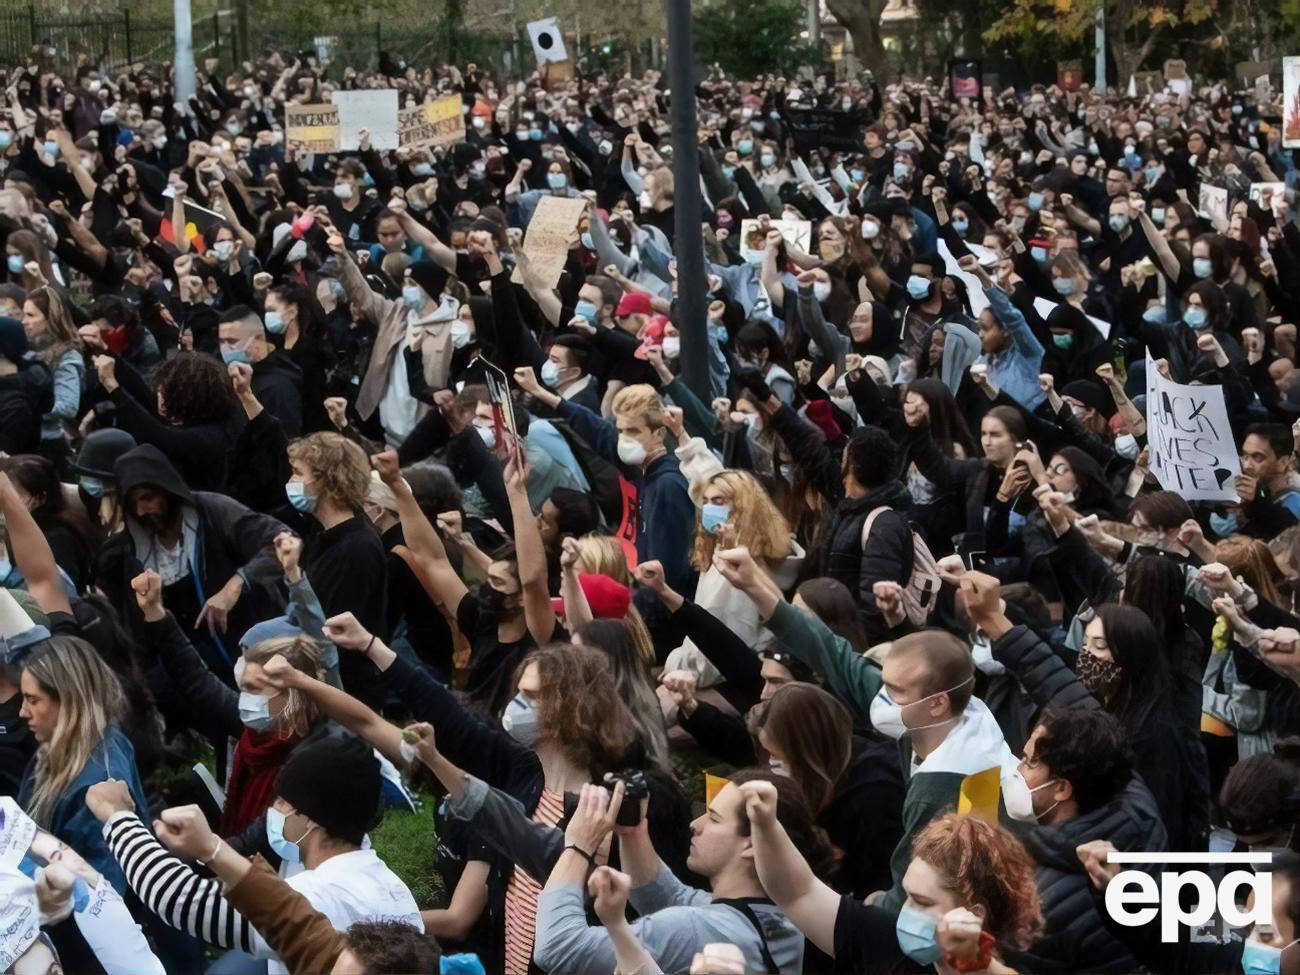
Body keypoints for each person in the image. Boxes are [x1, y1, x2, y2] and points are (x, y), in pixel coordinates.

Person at [92, 733, 424, 975]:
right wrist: (210, 849)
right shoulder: (382, 880)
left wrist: (118, 816)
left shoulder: (322, 897)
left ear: (311, 819)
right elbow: (260, 891)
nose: (271, 810)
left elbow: (179, 898)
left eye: (282, 801)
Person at [747, 784, 1044, 975]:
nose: (905, 912)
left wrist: (973, 965)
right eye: (908, 895)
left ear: (973, 915)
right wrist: (765, 824)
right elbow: (797, 893)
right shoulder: (885, 943)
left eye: (922, 901)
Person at [18, 636, 150, 894]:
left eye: (33, 700)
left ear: (68, 700)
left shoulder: (99, 783)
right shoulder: (55, 751)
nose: (23, 712)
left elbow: (104, 894)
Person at [286, 432, 388, 706]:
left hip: (345, 692)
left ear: (327, 479)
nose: (291, 482)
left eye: (298, 473)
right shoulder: (325, 532)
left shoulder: (356, 548)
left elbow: (330, 629)